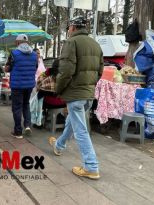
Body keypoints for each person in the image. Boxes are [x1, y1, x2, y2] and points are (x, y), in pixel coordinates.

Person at [48, 16, 104, 179]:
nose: (68, 31)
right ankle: (59, 145)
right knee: (73, 122)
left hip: (75, 93)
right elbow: (99, 71)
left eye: (68, 28)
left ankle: (91, 166)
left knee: (81, 130)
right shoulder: (95, 44)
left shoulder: (71, 43)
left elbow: (65, 72)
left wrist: (58, 89)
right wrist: (89, 86)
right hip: (87, 93)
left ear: (72, 27)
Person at [5, 34, 38, 139]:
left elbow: (7, 69)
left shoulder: (14, 53)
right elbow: (35, 67)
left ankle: (18, 131)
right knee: (26, 104)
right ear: (27, 42)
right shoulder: (34, 54)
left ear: (18, 42)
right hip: (29, 85)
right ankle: (27, 125)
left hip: (17, 85)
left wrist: (6, 67)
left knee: (17, 107)